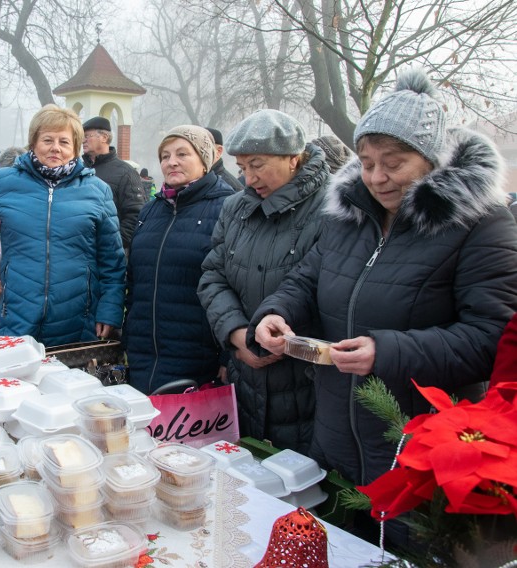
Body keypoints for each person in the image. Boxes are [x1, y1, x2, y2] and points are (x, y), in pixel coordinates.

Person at [249, 70, 517, 530]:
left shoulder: (482, 225)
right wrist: (276, 312)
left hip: (418, 455)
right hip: (334, 436)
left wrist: (387, 351)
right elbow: (307, 278)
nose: (376, 177)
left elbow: (491, 339)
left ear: (432, 159)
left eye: (394, 162)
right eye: (367, 161)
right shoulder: (349, 217)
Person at [198, 110, 331, 453]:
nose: (248, 178)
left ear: (293, 158)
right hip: (244, 372)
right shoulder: (235, 209)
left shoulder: (331, 208)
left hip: (306, 381)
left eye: (257, 164)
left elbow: (327, 287)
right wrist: (238, 336)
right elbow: (213, 276)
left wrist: (280, 341)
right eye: (242, 168)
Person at [0, 104, 126, 346]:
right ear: (33, 143)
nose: (55, 148)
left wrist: (110, 310)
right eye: (47, 139)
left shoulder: (97, 191)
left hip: (77, 323)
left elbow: (112, 261)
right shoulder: (4, 182)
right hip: (16, 319)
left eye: (64, 141)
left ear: (75, 148)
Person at [124, 126, 235, 394]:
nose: (171, 161)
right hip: (143, 353)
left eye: (182, 153)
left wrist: (227, 354)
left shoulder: (228, 207)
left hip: (197, 356)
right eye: (165, 155)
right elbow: (135, 279)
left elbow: (237, 286)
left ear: (205, 159)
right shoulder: (151, 210)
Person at [82, 116, 146, 252]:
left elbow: (136, 214)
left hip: (111, 254)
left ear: (104, 137)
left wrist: (113, 245)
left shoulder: (126, 172)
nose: (83, 140)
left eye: (87, 136)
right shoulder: (79, 170)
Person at [205, 127, 245, 191]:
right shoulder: (190, 180)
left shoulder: (232, 188)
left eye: (204, 146)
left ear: (218, 151)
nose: (198, 151)